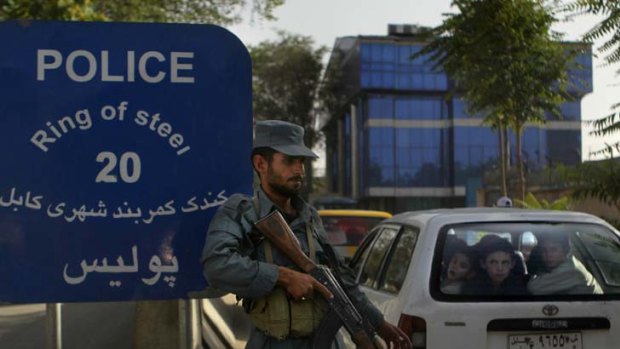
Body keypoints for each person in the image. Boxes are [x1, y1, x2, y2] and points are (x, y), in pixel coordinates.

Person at [201, 120, 411, 349]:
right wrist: (284, 277)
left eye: (301, 161)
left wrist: (379, 324)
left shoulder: (311, 217)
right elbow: (217, 265)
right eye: (289, 161)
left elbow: (341, 280)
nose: (299, 170)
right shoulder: (241, 212)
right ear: (261, 163)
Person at [527, 233, 603, 295]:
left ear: (565, 250)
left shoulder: (571, 269)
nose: (548, 255)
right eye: (544, 250)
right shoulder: (567, 262)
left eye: (554, 250)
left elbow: (533, 288)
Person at [462, 235, 526, 295]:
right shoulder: (472, 288)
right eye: (493, 262)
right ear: (483, 264)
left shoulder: (520, 288)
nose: (500, 268)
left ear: (512, 264)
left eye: (505, 263)